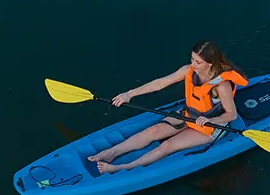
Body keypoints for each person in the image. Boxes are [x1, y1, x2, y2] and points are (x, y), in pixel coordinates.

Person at [88, 40, 249, 174]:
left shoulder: (221, 85)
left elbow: (231, 115)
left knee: (167, 145)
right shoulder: (189, 70)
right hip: (188, 114)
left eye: (198, 62)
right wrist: (129, 94)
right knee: (153, 131)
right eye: (192, 59)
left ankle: (121, 167)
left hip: (210, 126)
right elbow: (160, 83)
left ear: (210, 63)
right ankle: (112, 152)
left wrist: (209, 119)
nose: (193, 64)